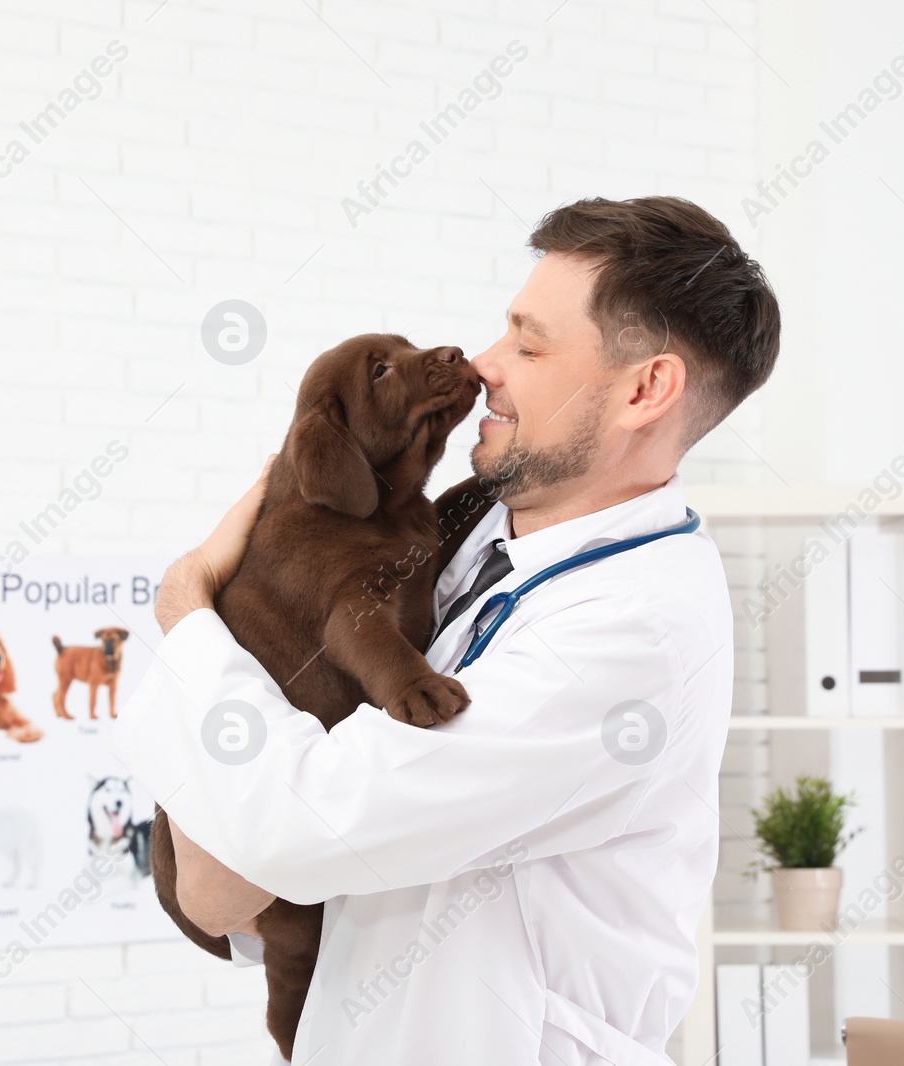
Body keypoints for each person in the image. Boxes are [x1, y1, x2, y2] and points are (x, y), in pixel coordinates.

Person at [111, 195, 780, 1065]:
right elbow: (225, 891)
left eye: (530, 345)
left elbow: (305, 827)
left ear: (646, 389)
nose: (486, 362)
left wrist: (189, 614)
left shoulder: (632, 632)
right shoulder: (463, 540)